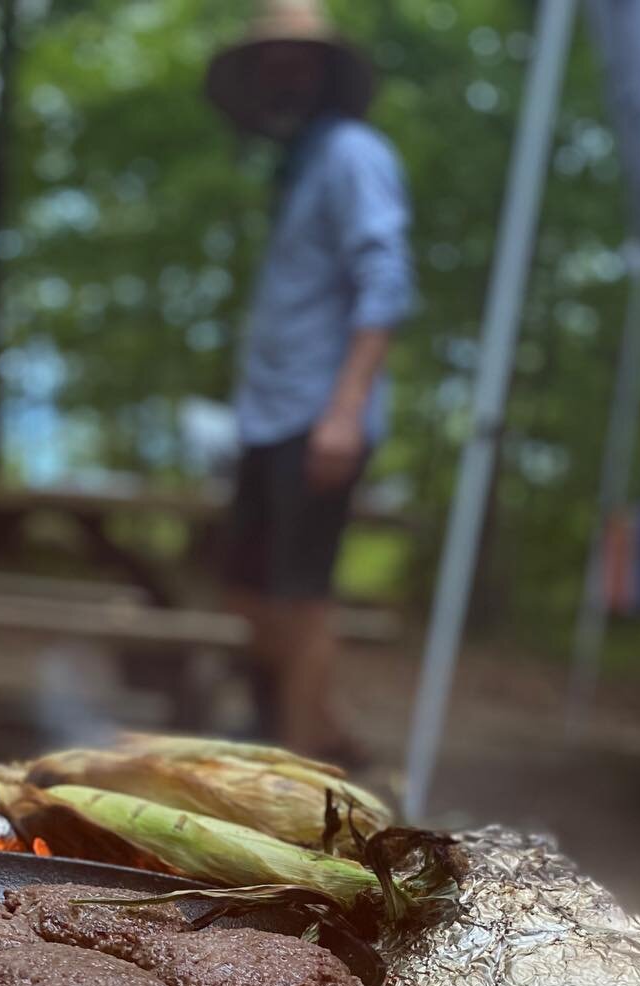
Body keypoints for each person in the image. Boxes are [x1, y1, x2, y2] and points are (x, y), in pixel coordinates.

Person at [206, 0, 413, 758]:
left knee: (301, 599)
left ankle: (296, 773)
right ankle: (324, 741)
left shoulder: (355, 153)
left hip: (320, 415)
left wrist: (346, 410)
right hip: (270, 416)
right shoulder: (300, 170)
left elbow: (385, 280)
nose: (281, 76)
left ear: (324, 72)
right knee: (246, 595)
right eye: (270, 62)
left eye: (296, 61)